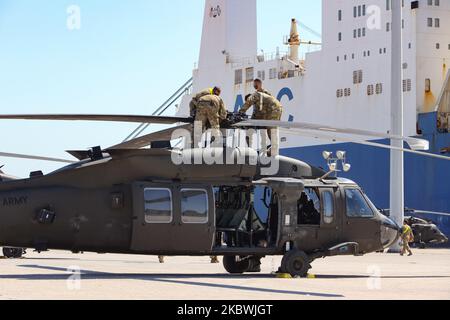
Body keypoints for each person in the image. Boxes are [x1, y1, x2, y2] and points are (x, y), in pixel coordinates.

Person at [239, 79, 283, 155]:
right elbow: (256, 116)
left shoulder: (256, 95)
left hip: (272, 109)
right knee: (268, 129)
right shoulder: (260, 101)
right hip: (275, 109)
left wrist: (240, 113)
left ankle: (273, 149)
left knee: (270, 129)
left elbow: (248, 104)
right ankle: (266, 148)